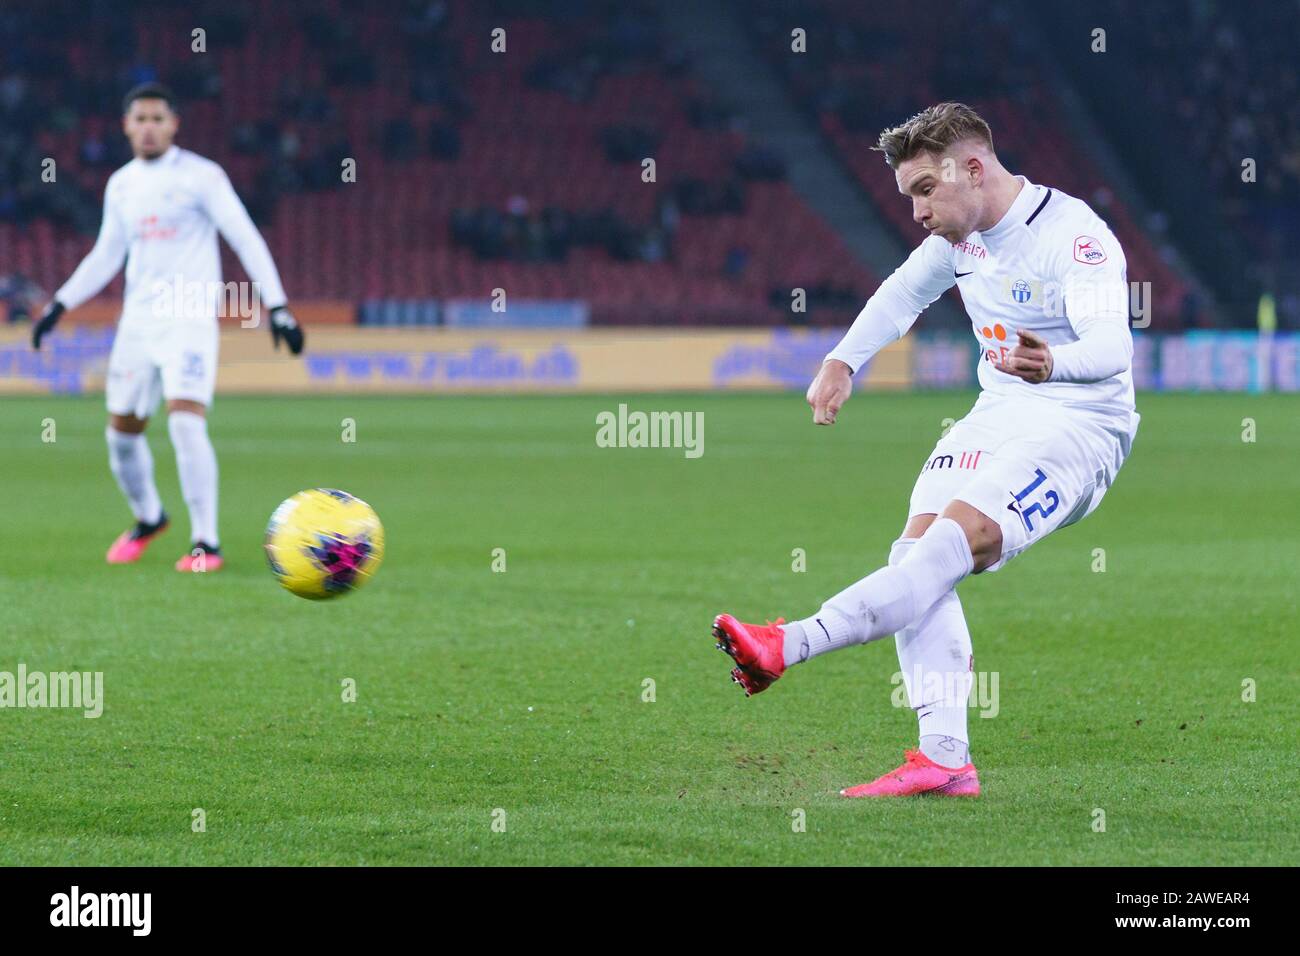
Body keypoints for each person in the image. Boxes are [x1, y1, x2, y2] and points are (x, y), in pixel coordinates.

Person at [712, 103, 1139, 797]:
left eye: (923, 191)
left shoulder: (1075, 236)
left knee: (950, 546)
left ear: (973, 169)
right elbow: (900, 295)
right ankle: (945, 759)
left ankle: (786, 645)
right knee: (913, 558)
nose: (916, 212)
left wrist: (1053, 362)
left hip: (1080, 421)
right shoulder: (957, 241)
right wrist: (843, 363)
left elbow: (1114, 346)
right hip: (999, 410)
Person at [31, 82, 304, 572]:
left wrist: (278, 306)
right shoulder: (122, 184)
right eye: (141, 119)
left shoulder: (203, 176)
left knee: (183, 419)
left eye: (159, 118)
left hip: (189, 316)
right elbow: (108, 253)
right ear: (126, 126)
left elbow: (243, 236)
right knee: (121, 435)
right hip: (138, 321)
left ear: (174, 124)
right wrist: (60, 303)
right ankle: (150, 517)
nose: (149, 127)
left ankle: (207, 543)